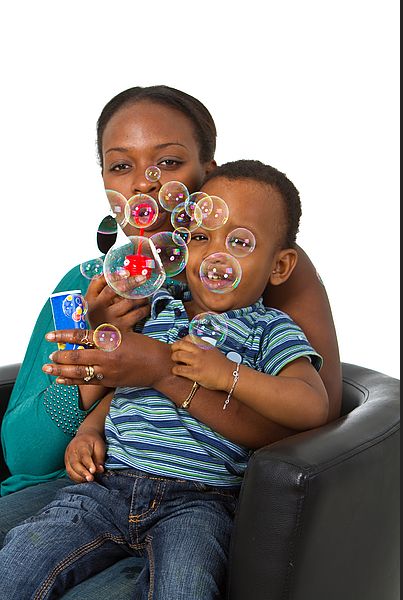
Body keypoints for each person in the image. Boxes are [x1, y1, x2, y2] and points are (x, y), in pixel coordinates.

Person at [0, 86, 340, 519]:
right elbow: (24, 459)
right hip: (76, 489)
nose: (146, 182)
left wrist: (161, 368)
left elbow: (315, 428)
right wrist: (93, 361)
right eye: (121, 166)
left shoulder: (261, 271)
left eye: (169, 162)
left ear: (207, 175)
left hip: (197, 502)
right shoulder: (83, 285)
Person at [0, 160, 328, 599]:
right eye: (200, 237)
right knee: (21, 556)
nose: (215, 256)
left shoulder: (270, 330)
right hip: (107, 486)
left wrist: (227, 374)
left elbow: (312, 405)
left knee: (186, 586)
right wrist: (88, 431)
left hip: (200, 501)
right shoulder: (159, 307)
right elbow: (121, 390)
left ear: (280, 266)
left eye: (239, 243)